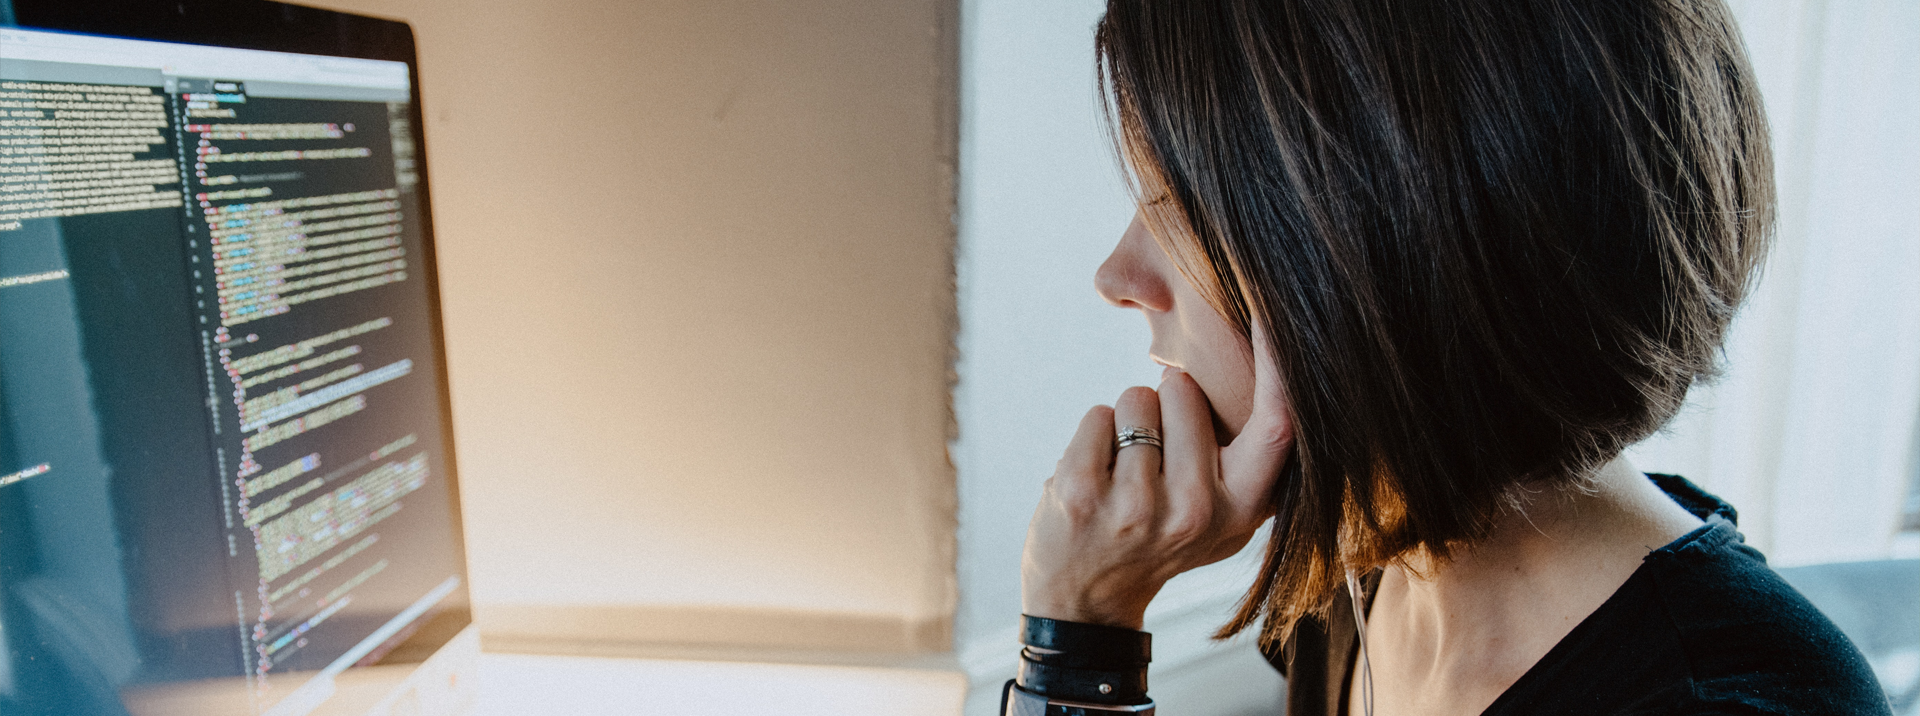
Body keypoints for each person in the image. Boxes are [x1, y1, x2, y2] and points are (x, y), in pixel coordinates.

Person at [1002, 1, 1893, 715]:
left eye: (1174, 207)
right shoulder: (1356, 585)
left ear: (1386, 240)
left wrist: (1077, 649)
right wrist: (1085, 618)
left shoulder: (1725, 700)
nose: (1118, 277)